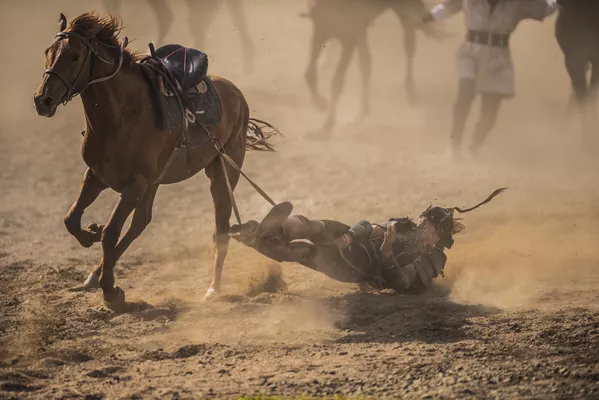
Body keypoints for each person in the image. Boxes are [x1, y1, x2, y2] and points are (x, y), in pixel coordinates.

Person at [229, 189, 507, 293]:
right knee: (308, 225)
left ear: (437, 236)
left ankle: (256, 239)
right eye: (424, 219)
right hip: (350, 240)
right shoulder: (405, 225)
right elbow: (369, 226)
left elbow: (402, 284)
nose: (422, 224)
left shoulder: (432, 259)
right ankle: (269, 230)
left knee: (301, 252)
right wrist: (350, 235)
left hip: (357, 267)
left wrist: (386, 254)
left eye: (429, 225)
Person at [422, 0, 559, 155]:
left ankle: (475, 147)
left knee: (490, 107)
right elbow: (448, 8)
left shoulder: (518, 3)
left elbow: (544, 9)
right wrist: (426, 17)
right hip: (470, 52)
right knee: (465, 93)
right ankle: (455, 145)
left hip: (498, 56)